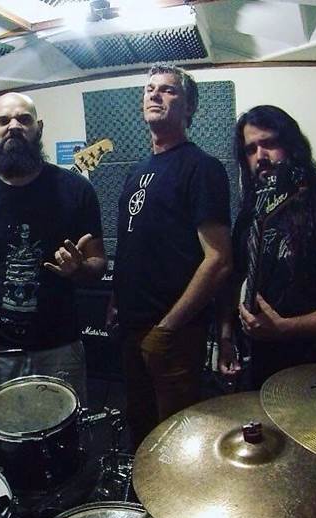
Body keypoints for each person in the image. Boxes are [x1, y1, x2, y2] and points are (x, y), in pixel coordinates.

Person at [0, 92, 106, 457]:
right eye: (3, 121)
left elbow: (98, 263)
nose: (13, 126)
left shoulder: (77, 190)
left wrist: (79, 269)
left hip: (59, 346)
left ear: (38, 128)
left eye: (23, 119)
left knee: (66, 444)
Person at [111, 63, 233, 449]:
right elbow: (134, 244)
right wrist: (117, 298)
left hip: (175, 333)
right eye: (150, 89)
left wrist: (167, 328)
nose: (155, 94)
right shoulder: (136, 171)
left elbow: (218, 259)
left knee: (174, 441)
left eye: (168, 90)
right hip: (133, 327)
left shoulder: (203, 168)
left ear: (189, 107)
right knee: (140, 430)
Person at [217, 105, 316, 389]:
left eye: (269, 143)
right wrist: (226, 338)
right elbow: (234, 279)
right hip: (261, 375)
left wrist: (285, 329)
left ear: (292, 146)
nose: (260, 156)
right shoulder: (250, 215)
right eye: (251, 149)